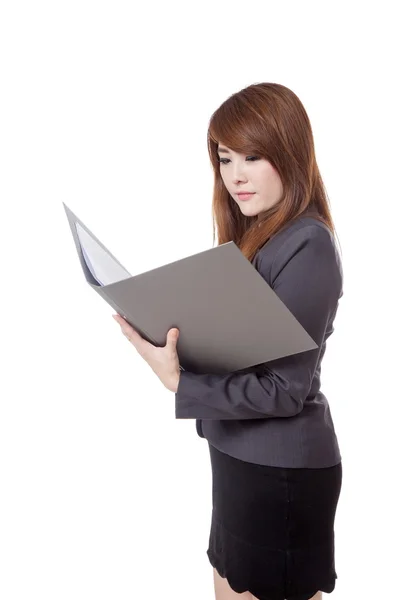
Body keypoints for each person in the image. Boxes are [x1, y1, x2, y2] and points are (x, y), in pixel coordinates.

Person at [113, 82, 343, 600]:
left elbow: (285, 389)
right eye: (225, 158)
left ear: (290, 151)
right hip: (240, 460)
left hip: (280, 474)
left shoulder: (307, 243)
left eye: (253, 156)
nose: (235, 174)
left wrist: (179, 380)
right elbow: (242, 349)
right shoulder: (259, 235)